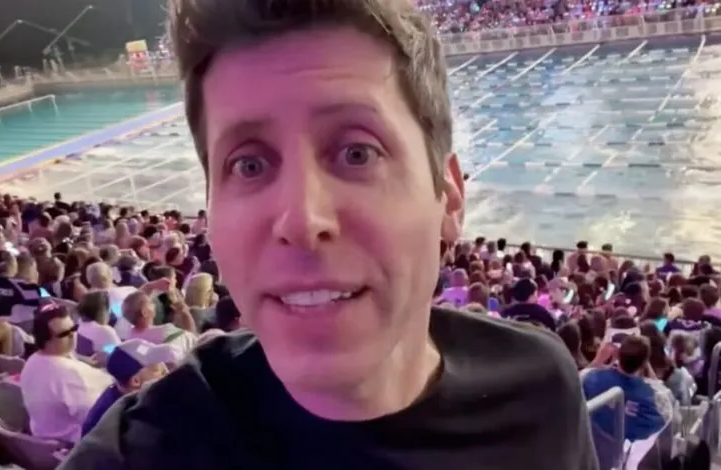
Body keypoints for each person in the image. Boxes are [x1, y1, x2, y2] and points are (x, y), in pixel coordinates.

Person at [60, 0, 596, 469]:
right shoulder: (141, 454)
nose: (301, 220)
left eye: (356, 152)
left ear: (448, 198)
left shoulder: (542, 390)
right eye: (248, 165)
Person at [20, 304, 113, 444]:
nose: (72, 336)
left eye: (74, 328)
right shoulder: (66, 373)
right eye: (64, 334)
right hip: (77, 443)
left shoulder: (33, 361)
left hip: (44, 434)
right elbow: (97, 417)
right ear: (45, 339)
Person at [81, 339, 179, 437]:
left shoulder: (123, 393)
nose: (166, 372)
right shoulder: (122, 420)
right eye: (157, 370)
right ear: (135, 381)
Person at [582, 336, 672, 441]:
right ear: (644, 363)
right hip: (632, 455)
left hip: (592, 447)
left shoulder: (590, 378)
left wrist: (598, 360)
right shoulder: (656, 397)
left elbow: (577, 378)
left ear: (618, 355)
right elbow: (668, 421)